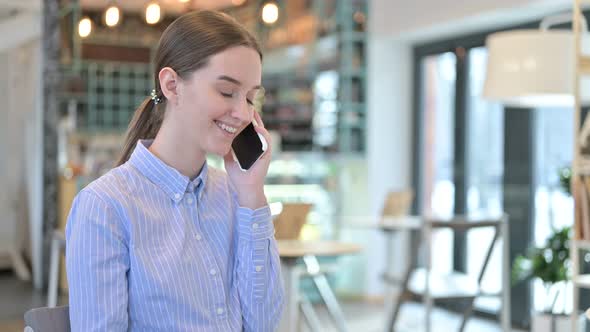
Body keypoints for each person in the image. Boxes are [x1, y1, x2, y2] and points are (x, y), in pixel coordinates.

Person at [65, 10, 284, 331]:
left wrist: (252, 195)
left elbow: (263, 324)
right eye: (227, 92)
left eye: (251, 98)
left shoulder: (237, 195)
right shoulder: (104, 208)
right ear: (171, 85)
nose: (242, 113)